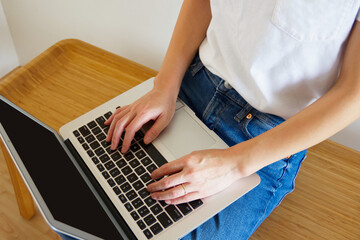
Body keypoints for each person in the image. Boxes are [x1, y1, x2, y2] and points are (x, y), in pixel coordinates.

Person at [59, 1, 360, 239]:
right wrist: (164, 86)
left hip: (264, 138)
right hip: (190, 85)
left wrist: (233, 164)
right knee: (78, 185)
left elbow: (353, 93)